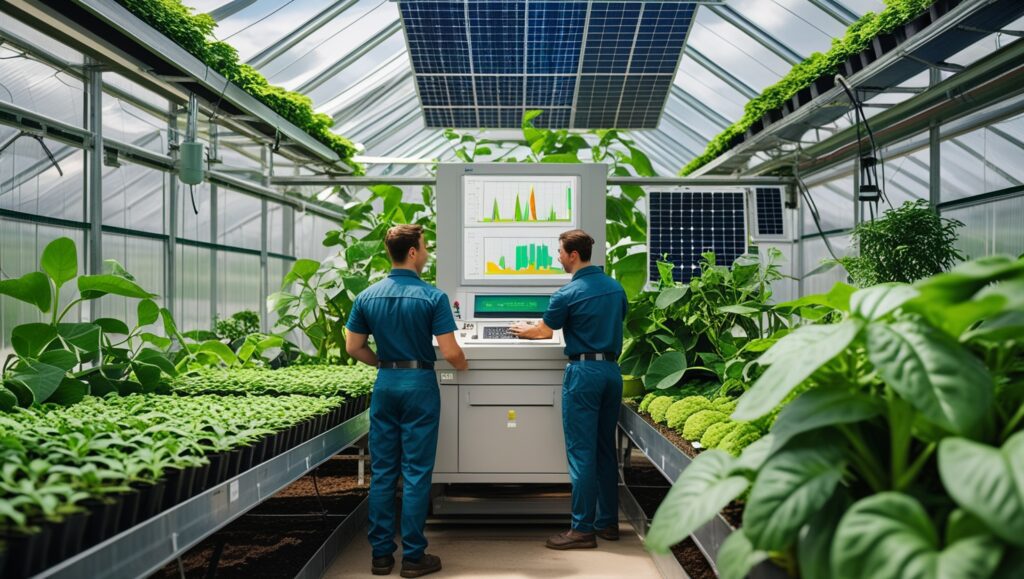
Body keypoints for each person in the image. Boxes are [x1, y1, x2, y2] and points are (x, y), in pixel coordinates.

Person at [346, 224, 468, 578]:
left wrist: (384, 364)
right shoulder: (432, 297)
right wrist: (464, 365)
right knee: (416, 473)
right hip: (419, 384)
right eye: (425, 246)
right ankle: (414, 557)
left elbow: (354, 347)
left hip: (386, 383)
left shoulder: (367, 297)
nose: (427, 252)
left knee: (383, 471)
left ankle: (381, 556)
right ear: (412, 252)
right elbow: (450, 351)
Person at [510, 229, 627, 550]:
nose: (557, 257)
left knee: (581, 453)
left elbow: (545, 332)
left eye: (559, 252)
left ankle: (581, 530)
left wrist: (524, 330)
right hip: (610, 372)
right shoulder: (615, 289)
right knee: (606, 450)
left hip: (583, 373)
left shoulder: (567, 293)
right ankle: (608, 524)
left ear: (573, 255)